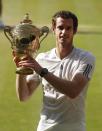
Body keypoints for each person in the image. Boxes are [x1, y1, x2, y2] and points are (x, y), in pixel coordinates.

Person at [13, 10, 95, 131]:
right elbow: (24, 96)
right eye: (60, 27)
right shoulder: (42, 58)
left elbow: (73, 91)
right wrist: (20, 67)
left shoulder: (86, 58)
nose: (64, 32)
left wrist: (42, 71)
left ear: (74, 31)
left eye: (68, 28)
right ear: (53, 29)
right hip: (45, 127)